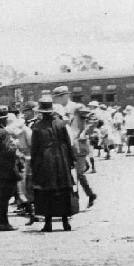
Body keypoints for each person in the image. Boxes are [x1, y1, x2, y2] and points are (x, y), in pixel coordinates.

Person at [31, 97, 76, 232]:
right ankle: (65, 222)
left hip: (45, 159)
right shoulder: (61, 124)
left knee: (47, 190)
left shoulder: (37, 126)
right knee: (62, 189)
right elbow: (67, 143)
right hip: (61, 158)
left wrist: (34, 163)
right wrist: (70, 160)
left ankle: (48, 223)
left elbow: (35, 148)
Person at [72, 105, 98, 208]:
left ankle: (90, 195)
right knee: (74, 174)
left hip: (79, 146)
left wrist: (85, 131)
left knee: (78, 174)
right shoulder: (63, 109)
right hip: (71, 147)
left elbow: (94, 118)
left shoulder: (77, 108)